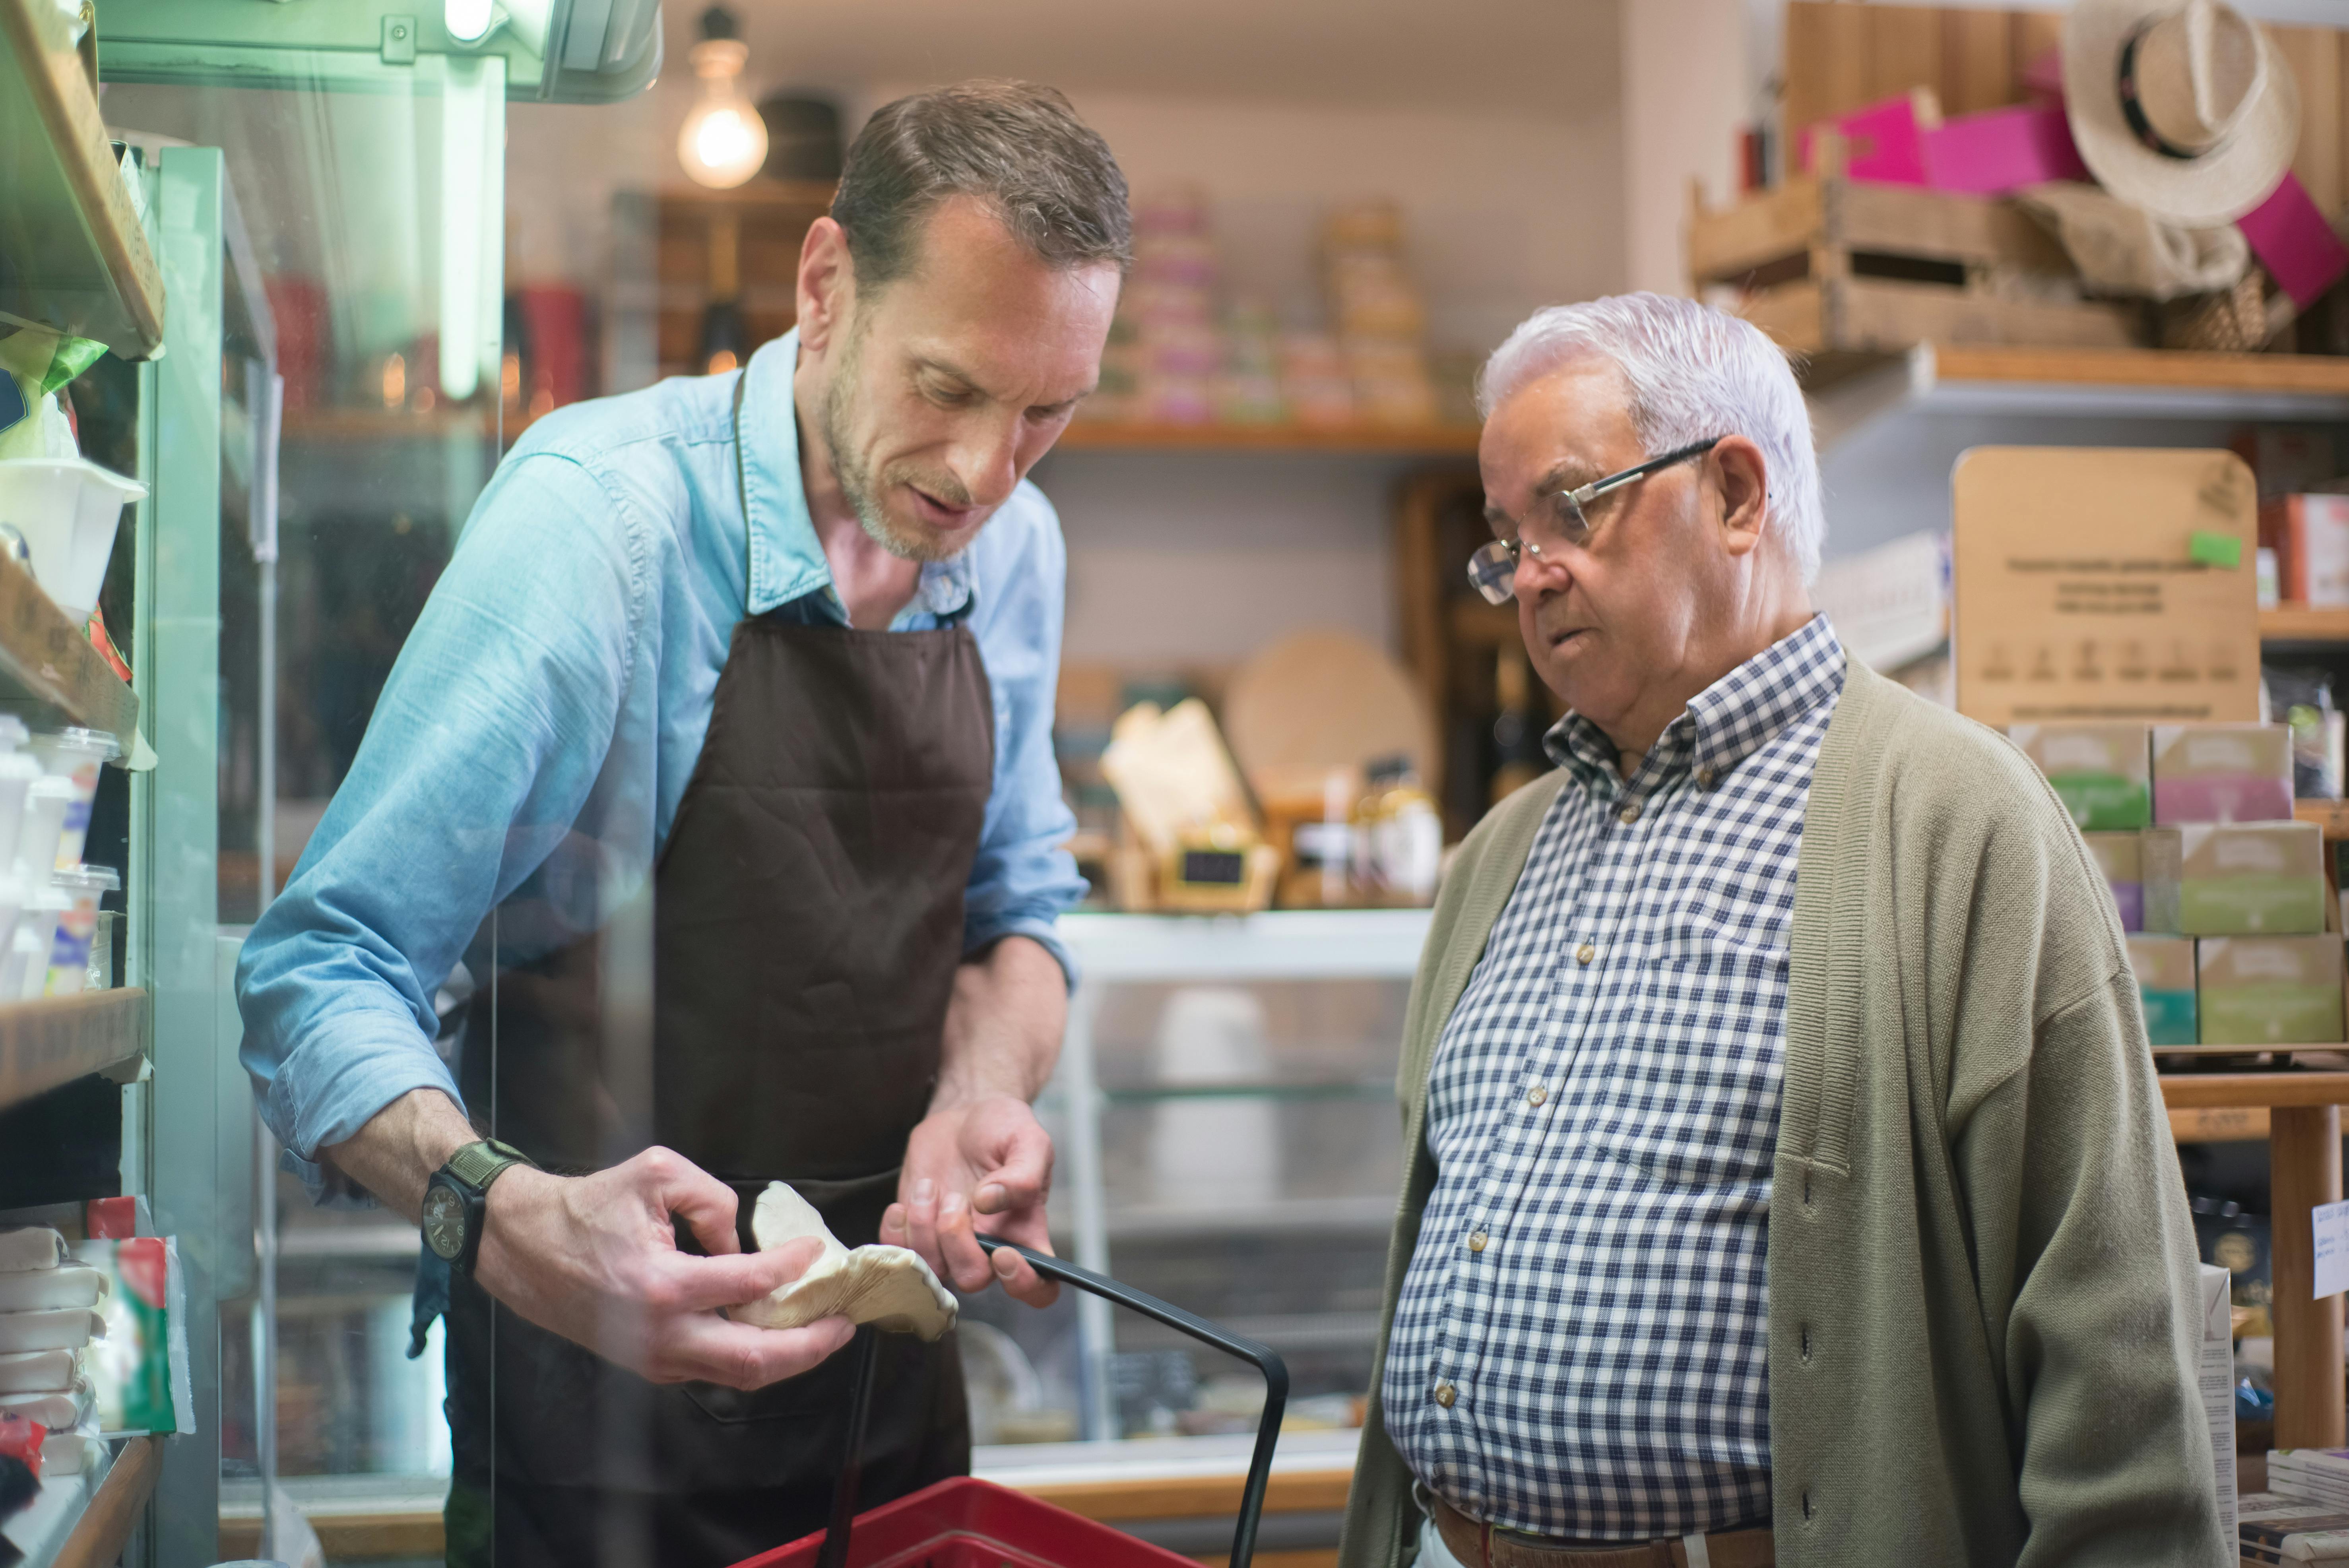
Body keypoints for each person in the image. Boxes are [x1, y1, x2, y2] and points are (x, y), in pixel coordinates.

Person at [235, 81, 1129, 1568]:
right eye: (949, 388)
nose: (984, 471)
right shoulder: (604, 526)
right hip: (598, 1434)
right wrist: (507, 1215)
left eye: (1047, 413)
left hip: (889, 1412)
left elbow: (1020, 912)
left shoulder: (1013, 548)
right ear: (827, 285)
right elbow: (316, 970)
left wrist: (981, 1088)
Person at [1338, 294, 2226, 1568]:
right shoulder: (1497, 857)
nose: (1528, 575)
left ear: (1739, 494)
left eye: (1571, 509)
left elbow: (2115, 1362)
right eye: (1505, 537)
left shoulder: (1962, 822)